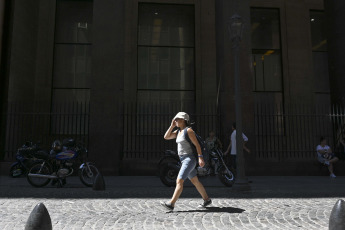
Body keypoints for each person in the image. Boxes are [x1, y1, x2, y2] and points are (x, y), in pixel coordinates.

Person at [161, 112, 211, 211]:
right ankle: (207, 199)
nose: (175, 121)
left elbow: (197, 145)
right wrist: (171, 126)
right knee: (194, 180)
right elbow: (166, 137)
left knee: (179, 181)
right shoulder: (178, 132)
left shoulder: (188, 131)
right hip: (183, 159)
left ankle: (171, 204)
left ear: (183, 120)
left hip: (189, 159)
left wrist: (200, 157)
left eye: (177, 119)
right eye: (175, 119)